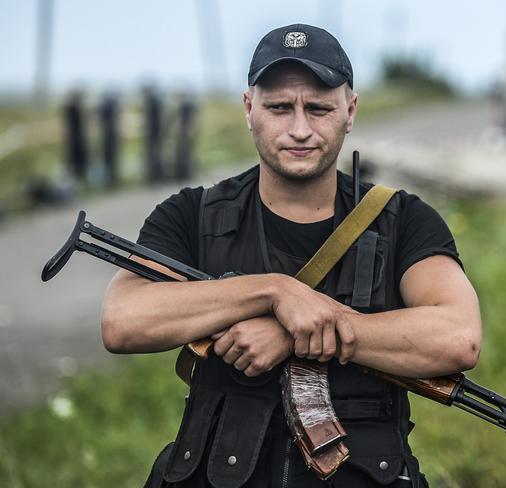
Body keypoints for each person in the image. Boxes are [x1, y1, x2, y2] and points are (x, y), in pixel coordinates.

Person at [101, 23, 482, 488]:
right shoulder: (192, 214)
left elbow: (458, 337)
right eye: (279, 107)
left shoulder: (403, 220)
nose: (300, 129)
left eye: (319, 108)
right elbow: (123, 321)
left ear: (350, 110)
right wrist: (272, 291)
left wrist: (300, 333)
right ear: (248, 109)